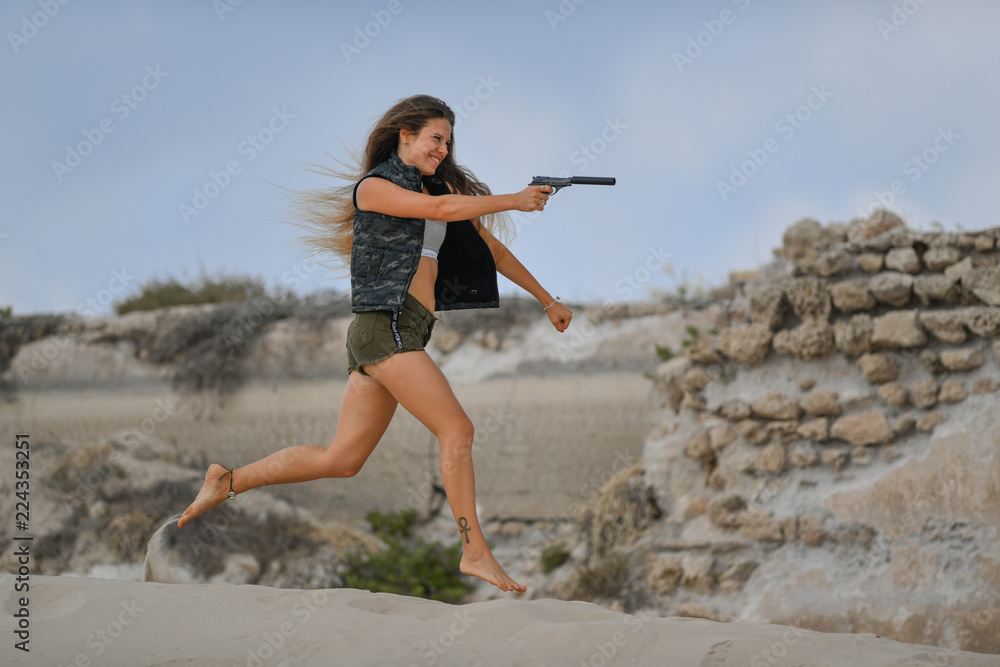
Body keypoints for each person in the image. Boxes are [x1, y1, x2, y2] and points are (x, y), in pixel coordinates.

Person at [177, 94, 572, 593]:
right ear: (405, 134)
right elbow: (440, 208)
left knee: (341, 460)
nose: (443, 149)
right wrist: (513, 199)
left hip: (402, 330)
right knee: (458, 430)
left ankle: (227, 481)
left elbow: (489, 248)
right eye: (436, 138)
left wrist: (546, 300)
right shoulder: (375, 188)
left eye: (448, 143)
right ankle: (474, 552)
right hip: (385, 326)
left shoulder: (436, 188)